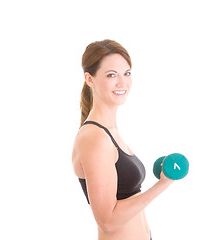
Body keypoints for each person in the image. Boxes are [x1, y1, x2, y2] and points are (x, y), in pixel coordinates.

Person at [72, 39, 174, 240]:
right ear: (89, 79)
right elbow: (108, 222)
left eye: (126, 73)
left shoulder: (109, 132)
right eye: (111, 75)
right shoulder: (95, 137)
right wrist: (163, 184)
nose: (122, 82)